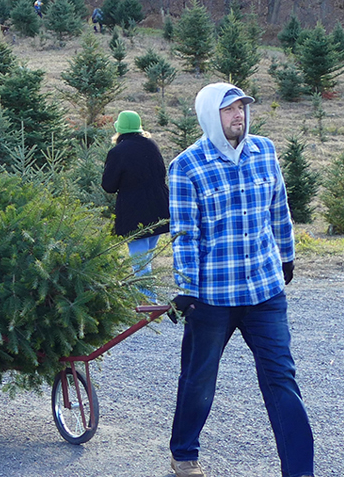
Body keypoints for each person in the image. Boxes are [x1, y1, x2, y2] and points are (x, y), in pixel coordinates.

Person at [165, 83, 312, 477]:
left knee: (281, 378)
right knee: (199, 378)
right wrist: (185, 288)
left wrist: (286, 256)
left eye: (243, 107)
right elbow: (185, 233)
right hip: (213, 296)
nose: (239, 116)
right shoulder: (186, 166)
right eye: (229, 109)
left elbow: (279, 208)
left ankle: (299, 471)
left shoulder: (264, 151)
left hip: (265, 291)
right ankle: (183, 452)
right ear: (211, 115)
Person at [101, 111, 169, 301]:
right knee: (146, 257)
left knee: (139, 261)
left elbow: (108, 185)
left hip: (134, 212)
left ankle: (147, 301)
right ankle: (147, 297)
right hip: (159, 207)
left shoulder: (118, 152)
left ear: (119, 129)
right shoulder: (151, 145)